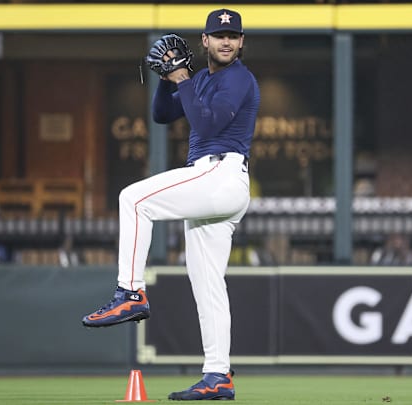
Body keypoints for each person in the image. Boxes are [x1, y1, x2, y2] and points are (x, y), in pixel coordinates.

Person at [82, 8, 260, 401]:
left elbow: (209, 125)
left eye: (233, 35)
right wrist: (168, 79)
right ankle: (218, 376)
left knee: (133, 198)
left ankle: (130, 293)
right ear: (205, 40)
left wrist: (181, 76)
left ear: (242, 41)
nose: (226, 41)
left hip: (221, 174)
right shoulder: (201, 79)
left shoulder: (239, 79)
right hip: (214, 185)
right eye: (219, 35)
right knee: (208, 285)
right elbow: (163, 114)